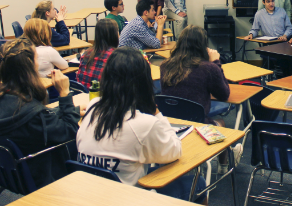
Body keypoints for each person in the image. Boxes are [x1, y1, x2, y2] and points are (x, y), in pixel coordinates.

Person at [76, 47, 206, 203]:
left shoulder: (93, 106)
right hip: (129, 199)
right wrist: (155, 111)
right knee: (198, 183)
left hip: (89, 196)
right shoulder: (144, 124)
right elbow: (175, 151)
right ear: (143, 83)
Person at [0, 37, 82, 189]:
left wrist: (60, 111)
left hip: (12, 178)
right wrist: (64, 95)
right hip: (43, 178)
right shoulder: (34, 114)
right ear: (31, 65)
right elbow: (70, 131)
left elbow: (35, 123)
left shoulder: (10, 101)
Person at [160, 25, 240, 174]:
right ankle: (224, 165)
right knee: (221, 123)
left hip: (171, 125)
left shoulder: (165, 65)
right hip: (198, 127)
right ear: (203, 45)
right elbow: (224, 95)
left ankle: (227, 158)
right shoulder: (209, 68)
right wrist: (216, 62)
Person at [76, 19, 119, 89]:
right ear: (114, 34)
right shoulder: (116, 56)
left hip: (83, 95)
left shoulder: (86, 53)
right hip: (102, 96)